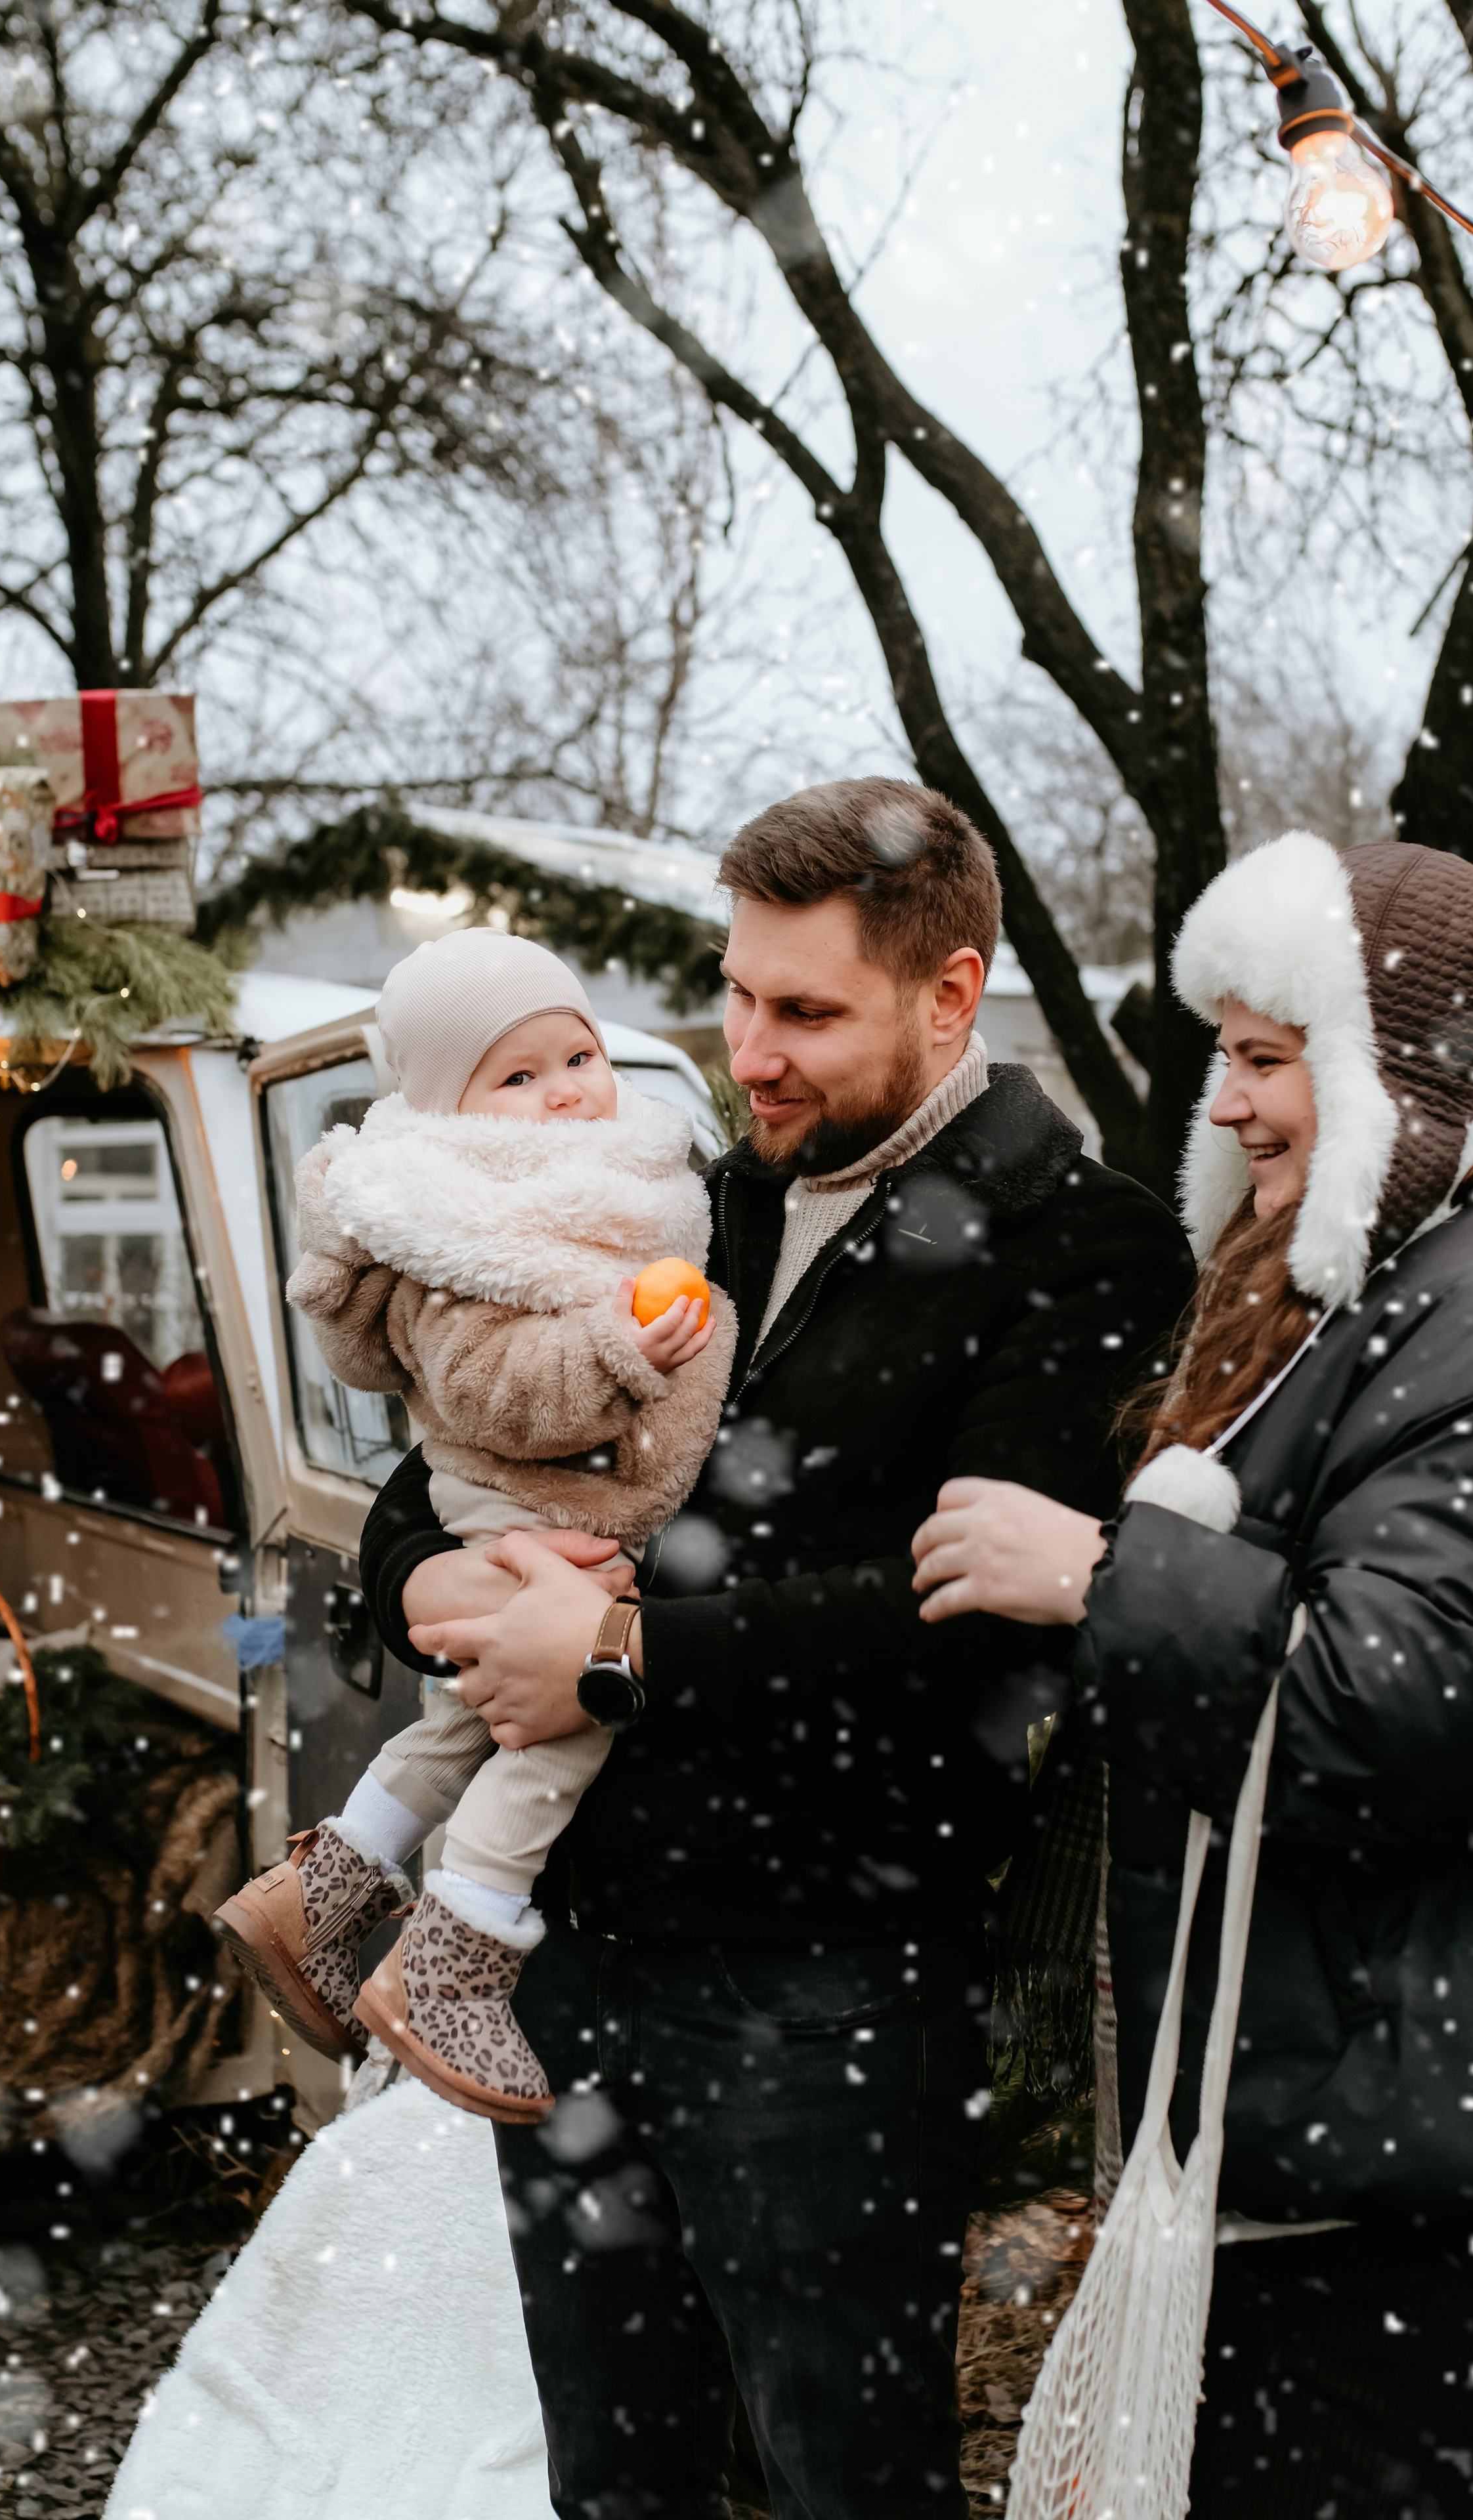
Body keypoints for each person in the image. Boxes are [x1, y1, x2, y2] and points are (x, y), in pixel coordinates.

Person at [358, 778, 1195, 2520]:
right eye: (737, 995)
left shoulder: (1083, 1243)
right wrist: (436, 1591)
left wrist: (618, 1649)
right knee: (613, 2473)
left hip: (827, 1987)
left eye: (806, 1010)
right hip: (578, 1964)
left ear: (950, 997)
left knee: (841, 2477)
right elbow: (453, 1446)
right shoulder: (694, 1201)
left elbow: (969, 1627)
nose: (752, 1049)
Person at [911, 828, 1473, 2519]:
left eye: (1262, 1059)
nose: (1218, 1105)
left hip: (1432, 2171)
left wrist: (1095, 1575)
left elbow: (1399, 1712)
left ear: (1396, 1074)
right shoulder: (1399, 1284)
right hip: (1357, 2124)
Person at [217, 929, 733, 2120]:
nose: (565, 1092)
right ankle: (456, 1956)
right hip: (530, 1507)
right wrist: (615, 1349)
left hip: (560, 1501)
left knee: (469, 1716)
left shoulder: (611, 1185)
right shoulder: (461, 1217)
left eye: (580, 1056)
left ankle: (320, 1893)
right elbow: (483, 1389)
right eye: (519, 1076)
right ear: (455, 1110)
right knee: (572, 1714)